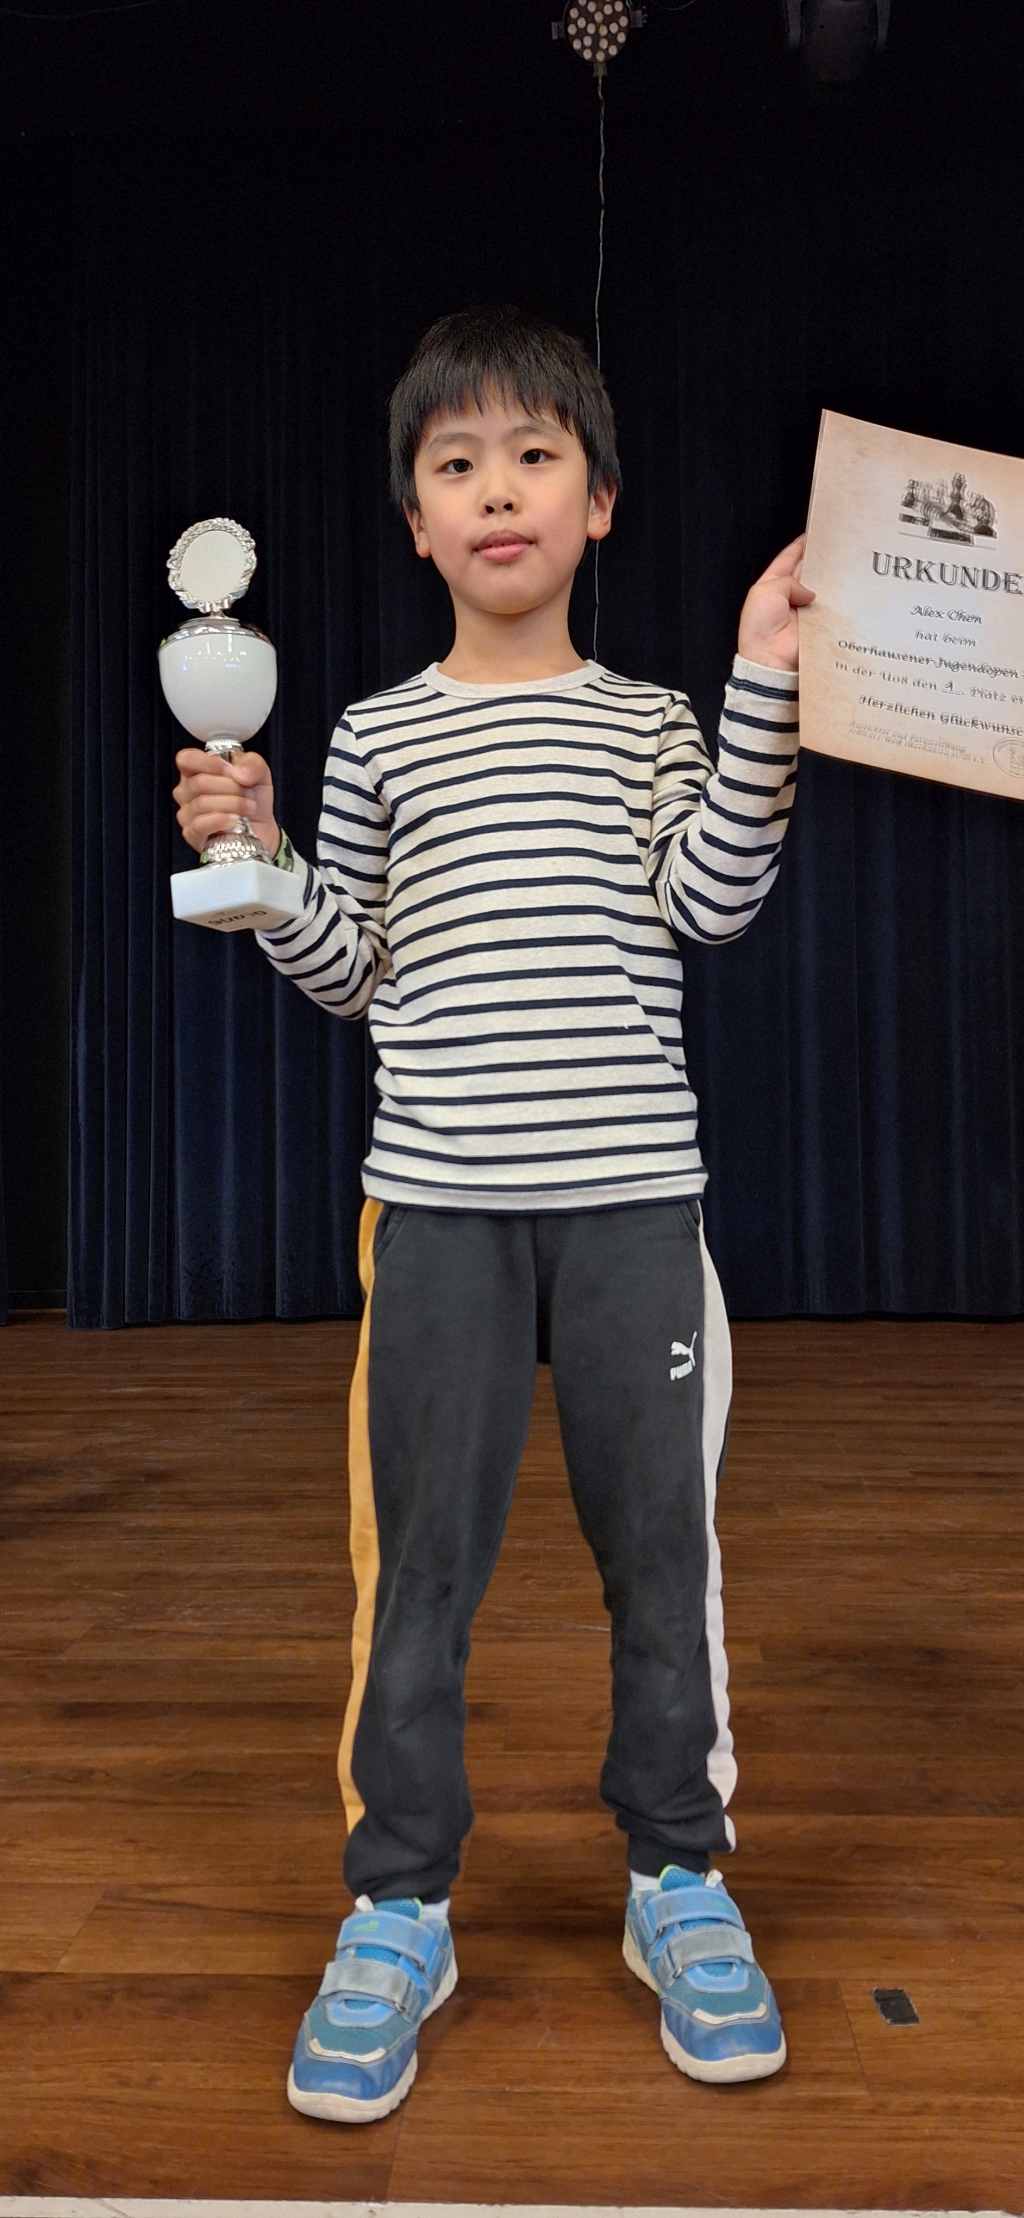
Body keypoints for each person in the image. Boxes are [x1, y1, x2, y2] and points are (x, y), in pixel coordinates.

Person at [172, 302, 814, 2127]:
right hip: (440, 1215)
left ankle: (677, 1870)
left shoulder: (655, 721)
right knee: (422, 1573)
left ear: (598, 500)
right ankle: (399, 1905)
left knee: (659, 1561)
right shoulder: (376, 735)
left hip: (633, 1210)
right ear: (417, 520)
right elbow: (352, 968)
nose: (498, 488)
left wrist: (765, 680)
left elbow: (716, 897)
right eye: (458, 463)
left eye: (536, 454)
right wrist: (258, 864)